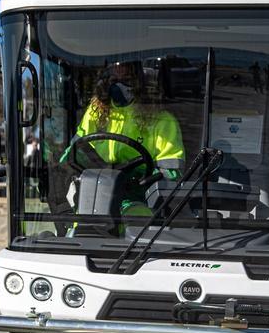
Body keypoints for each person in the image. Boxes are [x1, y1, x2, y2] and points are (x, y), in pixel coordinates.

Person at [67, 60, 185, 216]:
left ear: (139, 82)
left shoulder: (162, 120)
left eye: (126, 79)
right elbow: (73, 152)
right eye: (114, 79)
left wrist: (139, 178)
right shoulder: (95, 112)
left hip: (140, 197)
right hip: (95, 192)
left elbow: (172, 172)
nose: (119, 85)